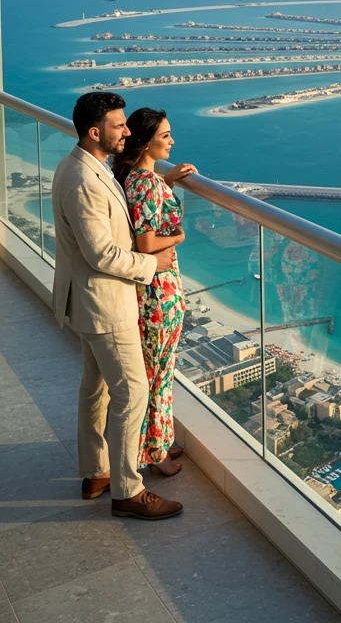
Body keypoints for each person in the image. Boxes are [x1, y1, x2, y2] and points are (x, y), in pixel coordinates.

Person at [51, 92, 183, 520]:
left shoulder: (84, 166)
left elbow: (126, 208)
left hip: (87, 301)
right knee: (133, 391)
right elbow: (102, 254)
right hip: (105, 303)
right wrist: (152, 263)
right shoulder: (85, 181)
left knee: (96, 388)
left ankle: (96, 472)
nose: (127, 131)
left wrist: (167, 183)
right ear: (95, 132)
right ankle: (129, 491)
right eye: (118, 125)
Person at [112, 108, 197, 477]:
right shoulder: (144, 182)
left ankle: (158, 440)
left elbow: (145, 212)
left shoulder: (137, 177)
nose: (172, 141)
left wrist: (169, 181)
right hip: (158, 293)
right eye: (165, 136)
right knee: (158, 374)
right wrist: (180, 236)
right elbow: (147, 241)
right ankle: (156, 454)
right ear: (146, 142)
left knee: (156, 372)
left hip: (153, 291)